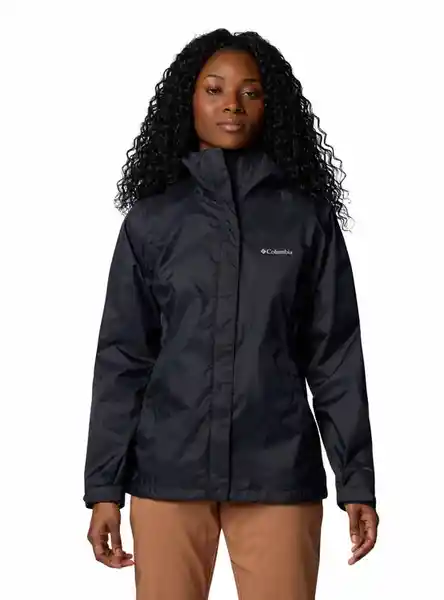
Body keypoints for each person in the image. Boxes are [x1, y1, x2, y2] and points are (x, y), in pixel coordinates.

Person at [84, 28, 379, 599]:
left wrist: (356, 481)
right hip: (167, 473)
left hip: (277, 474)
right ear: (188, 100)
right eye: (214, 89)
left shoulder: (305, 220)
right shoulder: (152, 221)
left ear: (272, 106)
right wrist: (104, 489)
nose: (232, 106)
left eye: (250, 92)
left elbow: (335, 357)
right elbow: (123, 359)